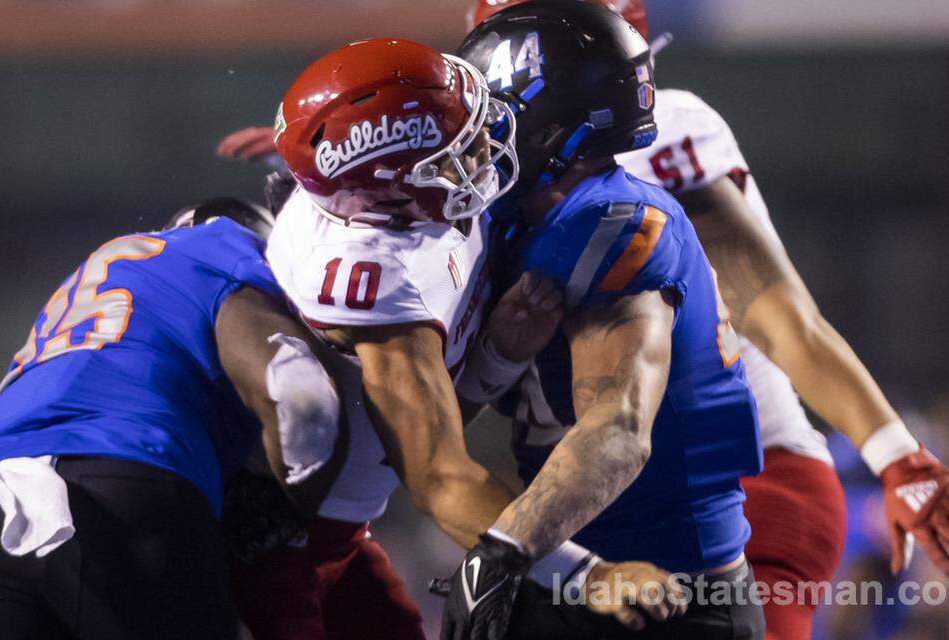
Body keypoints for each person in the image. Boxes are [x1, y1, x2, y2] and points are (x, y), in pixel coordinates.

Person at [466, 2, 949, 639]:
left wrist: (894, 454)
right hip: (584, 505)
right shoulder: (469, 175)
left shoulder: (652, 142)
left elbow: (782, 319)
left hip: (736, 485)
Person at [263, 36, 685, 638]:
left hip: (346, 534)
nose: (490, 142)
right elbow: (438, 477)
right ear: (389, 190)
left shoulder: (379, 203)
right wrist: (588, 576)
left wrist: (494, 358)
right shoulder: (373, 279)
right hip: (298, 550)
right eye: (453, 153)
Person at [446, 2, 766, 637]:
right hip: (573, 561)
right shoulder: (521, 218)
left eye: (490, 116)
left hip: (669, 591)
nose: (473, 137)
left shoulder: (611, 222)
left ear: (545, 124)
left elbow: (619, 429)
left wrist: (502, 551)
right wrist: (499, 358)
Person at [0, 199, 344, 640]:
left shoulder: (102, 282)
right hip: (119, 489)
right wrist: (294, 516)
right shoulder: (225, 249)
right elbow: (302, 400)